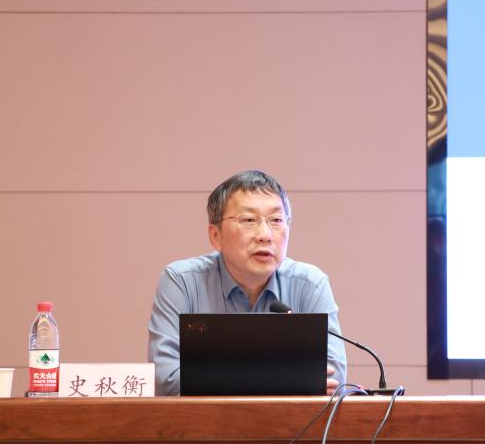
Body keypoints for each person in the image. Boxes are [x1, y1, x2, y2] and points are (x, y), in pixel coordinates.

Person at [148, 170, 347, 396]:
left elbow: (334, 379)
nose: (265, 235)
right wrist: (283, 378)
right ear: (215, 236)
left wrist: (218, 378)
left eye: (276, 220)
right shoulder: (182, 281)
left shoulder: (310, 284)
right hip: (204, 420)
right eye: (249, 220)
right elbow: (165, 380)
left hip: (289, 420)